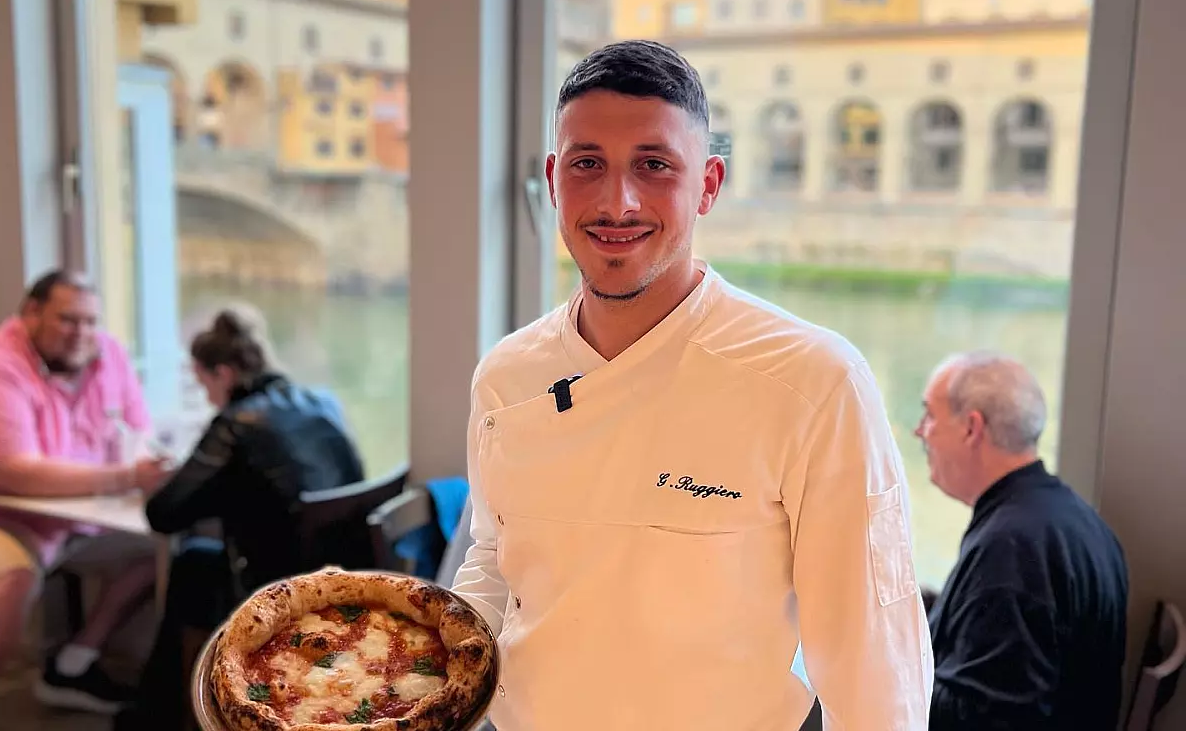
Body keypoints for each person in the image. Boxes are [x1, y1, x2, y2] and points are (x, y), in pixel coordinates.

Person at [452, 40, 933, 731]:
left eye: (654, 166)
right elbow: (497, 560)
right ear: (555, 179)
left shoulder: (812, 381)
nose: (617, 202)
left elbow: (874, 664)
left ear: (708, 183)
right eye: (589, 164)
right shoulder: (506, 375)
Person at [114, 307, 366, 731]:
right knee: (197, 560)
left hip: (274, 588)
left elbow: (163, 513)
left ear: (224, 373)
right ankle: (167, 709)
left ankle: (160, 714)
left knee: (191, 562)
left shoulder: (236, 423)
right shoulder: (320, 401)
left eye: (204, 384)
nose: (208, 397)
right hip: (336, 571)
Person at [916, 350, 1128, 730]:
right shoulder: (1061, 515)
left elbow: (985, 719)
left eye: (930, 415)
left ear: (971, 428)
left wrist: (878, 666)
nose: (920, 431)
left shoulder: (1013, 549)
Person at [0, 269, 166, 713]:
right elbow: (14, 472)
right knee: (6, 586)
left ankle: (72, 664)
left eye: (90, 321)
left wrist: (144, 465)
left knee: (162, 555)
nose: (80, 334)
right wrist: (123, 478)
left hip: (90, 520)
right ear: (31, 313)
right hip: (12, 519)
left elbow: (139, 428)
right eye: (67, 320)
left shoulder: (108, 353)